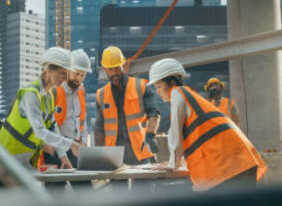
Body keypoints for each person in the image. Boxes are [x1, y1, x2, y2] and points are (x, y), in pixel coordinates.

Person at [149, 58, 267, 191]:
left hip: (228, 168)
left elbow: (175, 134)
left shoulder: (177, 93)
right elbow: (198, 139)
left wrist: (173, 164)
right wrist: (180, 162)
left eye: (159, 86)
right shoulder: (190, 97)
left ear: (171, 83)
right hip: (240, 163)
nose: (157, 92)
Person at [0, 47, 81, 176]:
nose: (65, 78)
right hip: (6, 160)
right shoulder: (30, 94)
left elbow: (53, 127)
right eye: (62, 73)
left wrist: (63, 156)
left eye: (66, 74)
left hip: (25, 162)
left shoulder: (49, 96)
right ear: (48, 70)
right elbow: (40, 132)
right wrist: (71, 144)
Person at [94, 46, 160, 166]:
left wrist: (151, 135)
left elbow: (154, 113)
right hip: (114, 155)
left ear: (123, 65)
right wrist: (99, 153)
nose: (114, 73)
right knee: (118, 186)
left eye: (116, 68)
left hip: (140, 151)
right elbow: (99, 126)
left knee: (143, 185)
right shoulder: (101, 95)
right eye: (110, 69)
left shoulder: (141, 86)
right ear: (104, 69)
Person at [42, 49, 92, 190]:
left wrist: (83, 141)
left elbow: (82, 119)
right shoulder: (55, 89)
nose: (79, 78)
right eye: (77, 73)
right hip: (55, 149)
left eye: (83, 75)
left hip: (75, 147)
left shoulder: (81, 90)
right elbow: (49, 124)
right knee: (56, 193)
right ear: (68, 70)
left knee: (85, 189)